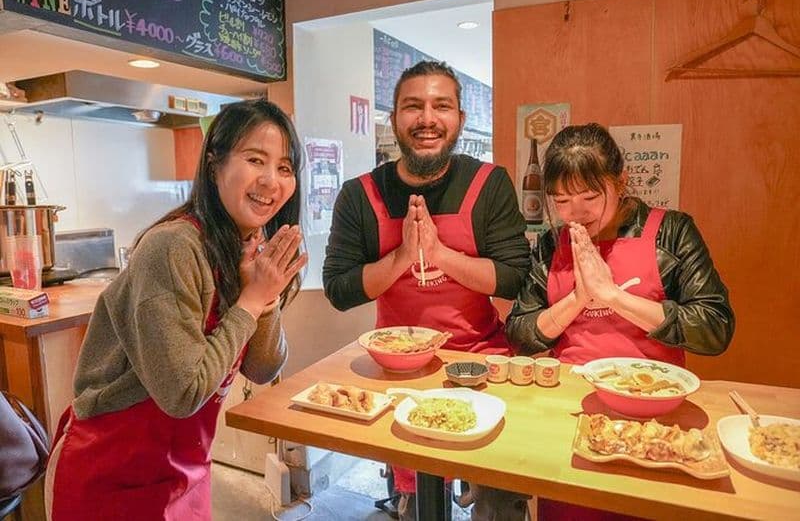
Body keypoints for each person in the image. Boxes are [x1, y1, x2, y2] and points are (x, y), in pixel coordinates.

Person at [44, 99, 308, 520]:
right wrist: (252, 299)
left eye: (285, 167)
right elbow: (182, 393)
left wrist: (266, 296)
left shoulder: (241, 247)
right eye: (255, 159)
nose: (271, 180)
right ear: (213, 163)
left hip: (186, 471)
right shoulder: (173, 248)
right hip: (110, 474)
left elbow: (262, 369)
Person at [323, 60, 530, 521]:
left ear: (460, 119)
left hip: (481, 363)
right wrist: (401, 258)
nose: (427, 118)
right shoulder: (360, 195)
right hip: (399, 372)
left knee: (499, 501)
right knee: (420, 504)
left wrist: (440, 256)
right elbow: (339, 289)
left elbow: (516, 276)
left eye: (442, 106)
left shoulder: (488, 183)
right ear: (394, 118)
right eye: (412, 106)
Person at [505, 122, 734, 519]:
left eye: (590, 196)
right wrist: (578, 299)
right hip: (570, 411)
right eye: (560, 201)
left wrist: (613, 296)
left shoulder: (672, 232)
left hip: (656, 414)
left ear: (622, 180)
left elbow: (714, 328)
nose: (575, 214)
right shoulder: (549, 244)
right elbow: (521, 331)